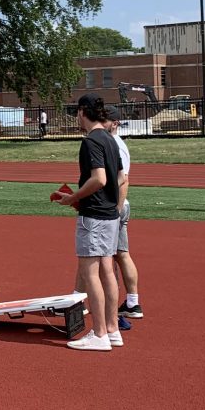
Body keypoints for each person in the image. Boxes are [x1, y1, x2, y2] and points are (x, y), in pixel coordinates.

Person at [56, 93, 123, 351]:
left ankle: (99, 333)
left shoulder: (91, 141)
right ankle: (112, 329)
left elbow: (100, 178)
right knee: (107, 271)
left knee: (89, 272)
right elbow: (119, 177)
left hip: (94, 215)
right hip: (109, 214)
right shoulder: (110, 139)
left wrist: (74, 197)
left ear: (83, 112)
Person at [105, 106, 143, 322]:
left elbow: (123, 179)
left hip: (115, 206)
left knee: (101, 256)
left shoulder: (116, 145)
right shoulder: (114, 143)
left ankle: (79, 301)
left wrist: (116, 209)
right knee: (120, 254)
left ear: (115, 123)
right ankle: (132, 302)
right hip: (117, 205)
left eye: (106, 120)